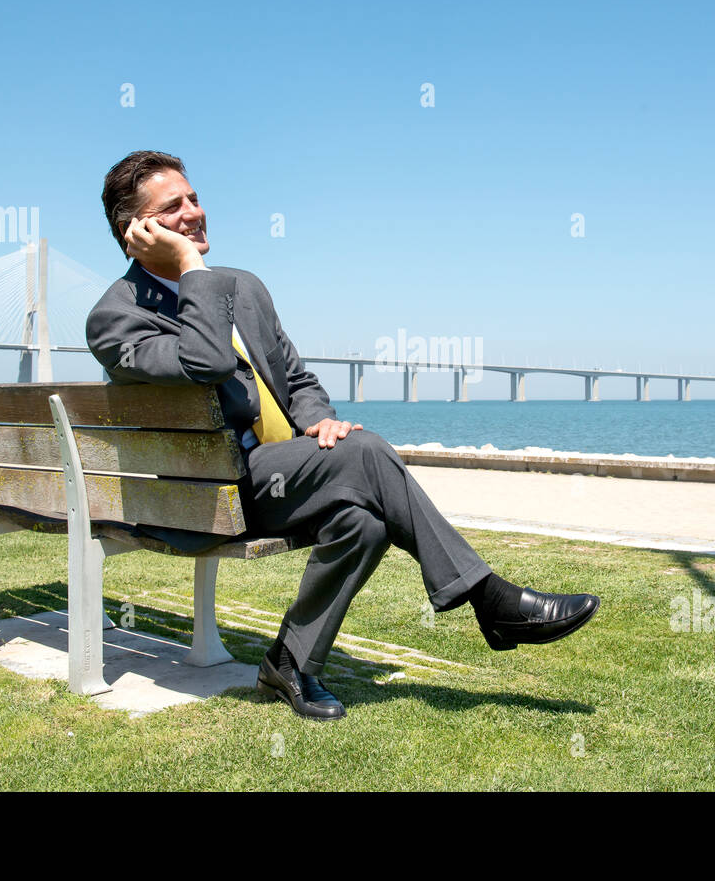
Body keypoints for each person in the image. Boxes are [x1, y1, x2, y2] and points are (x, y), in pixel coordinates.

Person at [87, 150, 600, 721]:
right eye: (173, 207)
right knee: (367, 452)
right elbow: (205, 361)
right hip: (211, 492)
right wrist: (188, 268)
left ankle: (291, 662)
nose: (195, 212)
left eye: (195, 198)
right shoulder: (116, 317)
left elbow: (296, 377)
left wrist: (317, 419)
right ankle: (492, 602)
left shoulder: (244, 288)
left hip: (281, 473)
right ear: (136, 229)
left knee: (365, 517)